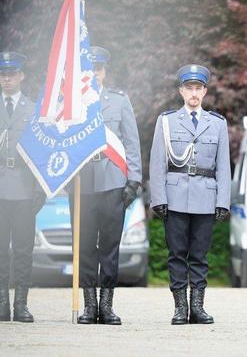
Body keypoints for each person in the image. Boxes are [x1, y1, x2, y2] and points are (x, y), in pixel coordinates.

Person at [149, 64, 231, 325]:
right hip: (174, 197)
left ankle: (197, 307)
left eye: (198, 88)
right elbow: (157, 163)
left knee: (199, 256)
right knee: (176, 254)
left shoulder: (217, 124)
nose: (194, 93)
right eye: (189, 88)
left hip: (206, 197)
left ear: (205, 91)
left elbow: (224, 166)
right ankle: (179, 308)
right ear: (181, 91)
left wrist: (223, 201)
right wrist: (159, 198)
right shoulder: (167, 121)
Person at [0, 51, 45, 322]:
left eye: (12, 74)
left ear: (21, 75)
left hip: (25, 187)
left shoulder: (34, 109)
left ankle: (21, 305)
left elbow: (40, 151)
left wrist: (40, 188)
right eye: (3, 74)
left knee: (25, 249)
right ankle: (1, 305)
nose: (7, 79)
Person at [72, 46, 142, 325]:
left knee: (110, 247)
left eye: (98, 69)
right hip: (83, 183)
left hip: (114, 181)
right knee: (86, 245)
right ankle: (89, 306)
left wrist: (133, 181)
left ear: (105, 71)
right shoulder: (73, 104)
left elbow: (131, 142)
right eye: (90, 70)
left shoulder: (119, 101)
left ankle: (107, 306)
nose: (95, 75)